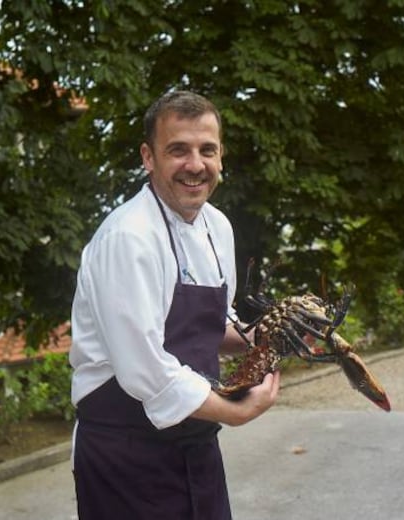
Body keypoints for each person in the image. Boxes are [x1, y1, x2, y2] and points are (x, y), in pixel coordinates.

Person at [69, 90, 280, 520]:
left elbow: (212, 326)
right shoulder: (128, 238)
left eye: (207, 150)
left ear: (221, 157)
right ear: (149, 157)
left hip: (195, 443)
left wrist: (274, 334)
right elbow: (144, 371)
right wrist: (237, 412)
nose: (195, 165)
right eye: (178, 150)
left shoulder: (217, 227)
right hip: (124, 454)